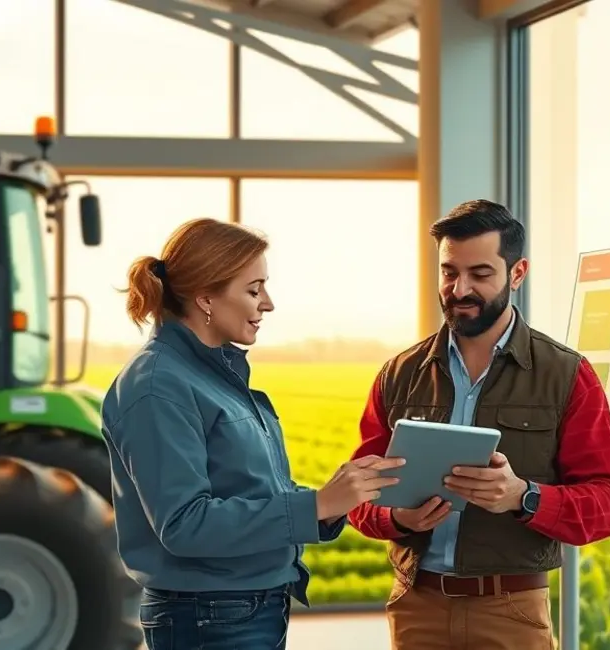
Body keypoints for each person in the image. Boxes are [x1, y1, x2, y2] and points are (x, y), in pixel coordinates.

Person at [100, 218, 403, 650]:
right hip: (209, 618)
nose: (269, 304)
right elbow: (185, 524)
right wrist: (314, 504)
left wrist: (330, 503)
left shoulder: (213, 375)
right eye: (254, 289)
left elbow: (251, 490)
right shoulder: (157, 385)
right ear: (206, 296)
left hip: (243, 610)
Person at [347, 200, 610, 650]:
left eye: (480, 274)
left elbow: (609, 502)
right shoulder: (398, 374)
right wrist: (396, 517)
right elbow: (356, 494)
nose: (459, 289)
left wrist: (524, 496)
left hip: (512, 611)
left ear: (517, 273)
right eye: (448, 272)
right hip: (415, 607)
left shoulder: (567, 375)